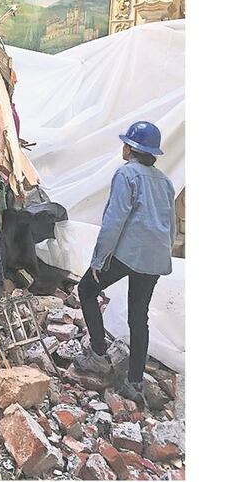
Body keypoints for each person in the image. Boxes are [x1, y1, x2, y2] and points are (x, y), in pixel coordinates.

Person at [73, 121, 176, 404]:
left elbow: (114, 221)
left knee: (86, 290)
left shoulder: (126, 174)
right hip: (155, 257)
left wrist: (99, 259)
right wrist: (162, 254)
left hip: (128, 253)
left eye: (125, 144)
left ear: (130, 148)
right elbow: (171, 227)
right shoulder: (165, 181)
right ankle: (134, 383)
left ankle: (97, 356)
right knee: (138, 317)